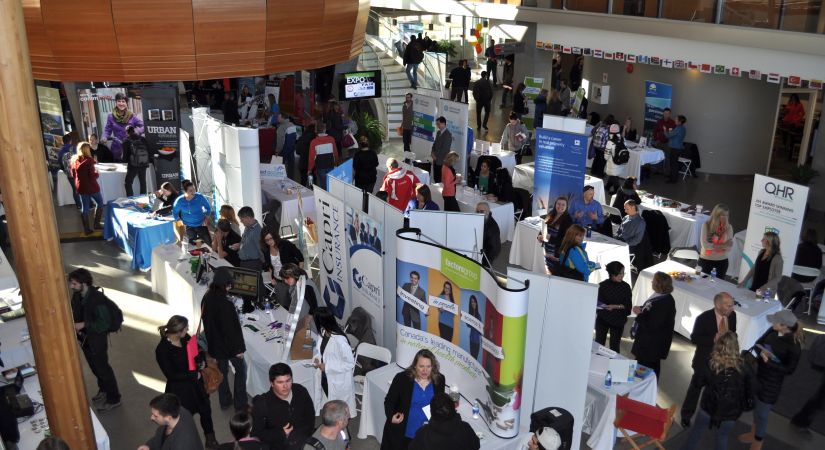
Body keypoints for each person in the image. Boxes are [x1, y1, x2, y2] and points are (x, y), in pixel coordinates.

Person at [738, 310, 802, 450]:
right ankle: (753, 433)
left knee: (762, 413)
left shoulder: (794, 346)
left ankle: (758, 441)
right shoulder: (772, 330)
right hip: (758, 375)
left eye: (775, 321)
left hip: (771, 384)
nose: (772, 323)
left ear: (784, 325)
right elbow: (759, 342)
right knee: (755, 407)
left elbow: (789, 370)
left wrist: (769, 362)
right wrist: (761, 352)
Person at [681, 332, 752, 450]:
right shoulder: (745, 367)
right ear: (736, 346)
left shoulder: (711, 363)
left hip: (708, 408)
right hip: (731, 413)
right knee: (722, 437)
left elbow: (698, 383)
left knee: (696, 434)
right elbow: (751, 391)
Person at [155, 315, 218, 448]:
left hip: (196, 386)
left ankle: (210, 439)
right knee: (182, 418)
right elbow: (171, 375)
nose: (188, 330)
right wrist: (193, 374)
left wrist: (201, 361)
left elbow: (197, 351)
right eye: (186, 328)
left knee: (205, 410)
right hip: (181, 391)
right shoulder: (162, 350)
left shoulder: (185, 338)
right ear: (178, 331)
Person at [68, 268, 122, 412]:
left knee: (103, 369)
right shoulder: (78, 295)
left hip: (96, 340)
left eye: (74, 283)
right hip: (85, 338)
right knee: (94, 367)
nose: (71, 286)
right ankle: (103, 389)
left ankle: (114, 398)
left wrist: (83, 325)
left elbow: (103, 323)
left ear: (84, 283)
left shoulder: (97, 300)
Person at [681, 292, 738, 427]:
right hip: (704, 362)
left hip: (723, 363)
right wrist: (714, 339)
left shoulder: (733, 316)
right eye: (728, 305)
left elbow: (733, 332)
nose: (732, 308)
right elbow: (695, 338)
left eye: (732, 305)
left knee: (716, 392)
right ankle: (686, 415)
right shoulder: (704, 318)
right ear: (718, 305)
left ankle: (713, 416)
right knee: (695, 390)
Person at [201, 267, 248, 412]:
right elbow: (230, 331)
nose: (230, 288)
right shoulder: (225, 305)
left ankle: (225, 401)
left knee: (222, 373)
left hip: (215, 346)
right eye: (229, 285)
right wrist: (238, 350)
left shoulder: (207, 297)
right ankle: (240, 404)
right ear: (225, 284)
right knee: (241, 370)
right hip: (228, 347)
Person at [382, 349, 446, 450]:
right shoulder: (402, 379)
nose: (425, 370)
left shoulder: (439, 380)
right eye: (421, 366)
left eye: (428, 367)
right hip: (405, 432)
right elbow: (389, 401)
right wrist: (391, 416)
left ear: (433, 367)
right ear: (415, 365)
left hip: (428, 432)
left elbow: (439, 404)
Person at [251, 363, 315, 450]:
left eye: (288, 380)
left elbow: (310, 416)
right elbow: (256, 434)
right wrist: (281, 433)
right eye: (280, 382)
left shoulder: (301, 391)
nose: (285, 386)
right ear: (272, 383)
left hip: (303, 440)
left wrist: (303, 436)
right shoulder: (262, 404)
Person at [631, 271, 677, 378]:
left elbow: (652, 325)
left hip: (651, 346)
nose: (651, 282)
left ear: (658, 284)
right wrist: (641, 309)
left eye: (654, 280)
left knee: (647, 371)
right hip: (648, 343)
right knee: (644, 369)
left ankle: (644, 390)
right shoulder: (661, 296)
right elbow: (650, 310)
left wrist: (639, 314)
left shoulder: (665, 303)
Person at [313, 307, 357, 415]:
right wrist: (316, 359)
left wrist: (327, 367)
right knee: (330, 403)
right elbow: (320, 351)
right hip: (326, 377)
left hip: (337, 378)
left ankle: (340, 428)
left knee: (340, 410)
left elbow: (350, 363)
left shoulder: (340, 340)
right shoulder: (323, 333)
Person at [409, 392, 480, 450]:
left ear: (431, 412)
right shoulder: (465, 427)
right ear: (453, 409)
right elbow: (476, 445)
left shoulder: (423, 434)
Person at [138, 393, 203, 450]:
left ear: (168, 418)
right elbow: (161, 437)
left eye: (155, 416)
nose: (151, 417)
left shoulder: (182, 445)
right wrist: (149, 446)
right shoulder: (177, 409)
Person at [595, 261, 632, 353]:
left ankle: (613, 366)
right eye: (619, 273)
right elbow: (597, 304)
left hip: (618, 321)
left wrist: (615, 306)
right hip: (603, 319)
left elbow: (628, 307)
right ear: (612, 274)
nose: (622, 276)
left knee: (614, 348)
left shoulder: (626, 287)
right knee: (598, 345)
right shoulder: (602, 285)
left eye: (623, 273)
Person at [70, 142, 104, 234]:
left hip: (81, 187)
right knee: (100, 203)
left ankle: (86, 229)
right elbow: (92, 176)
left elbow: (73, 174)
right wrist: (97, 173)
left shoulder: (74, 160)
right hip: (92, 187)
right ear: (86, 150)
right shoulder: (89, 161)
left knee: (84, 208)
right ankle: (96, 224)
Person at [102, 92, 144, 161]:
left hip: (130, 147)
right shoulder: (111, 116)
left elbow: (143, 125)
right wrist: (104, 137)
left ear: (126, 103)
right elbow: (107, 129)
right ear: (116, 102)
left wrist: (136, 132)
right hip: (117, 148)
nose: (121, 103)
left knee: (131, 169)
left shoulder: (132, 115)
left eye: (123, 101)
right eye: (119, 101)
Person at [538, 197, 573, 274]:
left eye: (563, 205)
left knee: (551, 274)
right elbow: (543, 227)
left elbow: (566, 240)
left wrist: (550, 238)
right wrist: (540, 236)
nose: (560, 206)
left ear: (566, 207)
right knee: (543, 271)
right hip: (545, 250)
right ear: (555, 204)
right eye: (558, 204)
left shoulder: (568, 220)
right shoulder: (551, 214)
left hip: (555, 254)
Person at [698, 204, 734, 279]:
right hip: (706, 260)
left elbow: (729, 248)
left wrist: (714, 246)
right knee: (702, 284)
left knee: (718, 287)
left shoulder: (729, 227)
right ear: (716, 215)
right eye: (723, 215)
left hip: (722, 262)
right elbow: (705, 245)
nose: (725, 218)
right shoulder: (706, 225)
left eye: (727, 215)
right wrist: (723, 245)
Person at [172, 179, 212, 244]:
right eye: (190, 190)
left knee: (208, 243)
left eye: (194, 189)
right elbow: (175, 213)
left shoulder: (200, 197)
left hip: (201, 224)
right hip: (188, 226)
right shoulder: (179, 201)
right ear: (185, 192)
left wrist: (206, 217)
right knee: (192, 246)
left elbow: (208, 208)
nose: (193, 191)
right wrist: (180, 222)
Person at [123, 125, 153, 197]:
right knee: (143, 182)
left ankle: (131, 199)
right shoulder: (142, 139)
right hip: (144, 164)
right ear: (134, 130)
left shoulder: (126, 141)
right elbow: (149, 151)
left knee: (128, 183)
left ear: (126, 132)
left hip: (133, 165)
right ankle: (143, 198)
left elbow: (125, 157)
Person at [308, 122, 339, 190]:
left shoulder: (313, 142)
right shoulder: (331, 139)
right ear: (325, 129)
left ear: (316, 130)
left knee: (323, 185)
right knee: (331, 185)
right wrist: (336, 163)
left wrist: (309, 169)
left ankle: (325, 198)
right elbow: (335, 153)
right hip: (331, 165)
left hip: (320, 167)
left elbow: (311, 157)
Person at [604, 124, 629, 195]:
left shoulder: (610, 142)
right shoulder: (623, 139)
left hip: (613, 163)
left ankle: (617, 190)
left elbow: (606, 155)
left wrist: (606, 158)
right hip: (621, 162)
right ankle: (607, 186)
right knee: (614, 175)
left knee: (614, 176)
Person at [237, 207, 264, 271]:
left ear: (248, 218)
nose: (241, 221)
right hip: (245, 263)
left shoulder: (257, 231)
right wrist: (239, 245)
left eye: (242, 219)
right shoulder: (247, 227)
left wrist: (265, 265)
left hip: (252, 264)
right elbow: (244, 242)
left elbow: (261, 251)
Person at [476, 202, 501, 266]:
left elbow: (495, 249)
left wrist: (485, 260)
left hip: (485, 258)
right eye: (477, 211)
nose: (479, 214)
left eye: (481, 211)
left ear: (488, 211)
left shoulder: (492, 227)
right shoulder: (481, 221)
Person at [781, 93, 805, 158]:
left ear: (796, 98)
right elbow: (785, 111)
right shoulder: (789, 103)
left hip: (793, 123)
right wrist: (785, 110)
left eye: (794, 97)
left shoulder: (799, 105)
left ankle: (790, 154)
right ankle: (785, 146)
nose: (793, 99)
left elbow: (803, 113)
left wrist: (797, 119)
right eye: (792, 97)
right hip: (787, 121)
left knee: (792, 137)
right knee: (784, 134)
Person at [665, 114, 687, 183]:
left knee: (673, 164)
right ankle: (673, 177)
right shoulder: (682, 128)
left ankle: (673, 180)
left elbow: (668, 136)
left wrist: (665, 130)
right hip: (678, 148)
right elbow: (673, 136)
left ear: (680, 121)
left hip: (675, 149)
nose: (675, 120)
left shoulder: (678, 128)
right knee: (674, 164)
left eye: (676, 119)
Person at [275, 113, 297, 178]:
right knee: (291, 167)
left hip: (283, 150)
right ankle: (291, 180)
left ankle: (280, 180)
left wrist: (277, 151)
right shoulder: (292, 125)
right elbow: (295, 137)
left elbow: (280, 141)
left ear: (283, 118)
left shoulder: (281, 127)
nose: (277, 119)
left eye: (279, 117)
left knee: (280, 167)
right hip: (291, 149)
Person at [431, 117, 452, 183]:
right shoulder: (438, 133)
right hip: (435, 160)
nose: (437, 126)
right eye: (437, 124)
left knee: (440, 179)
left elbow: (444, 150)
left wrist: (436, 157)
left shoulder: (448, 135)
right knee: (435, 178)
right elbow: (434, 144)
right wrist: (432, 153)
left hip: (441, 161)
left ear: (443, 124)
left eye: (438, 124)